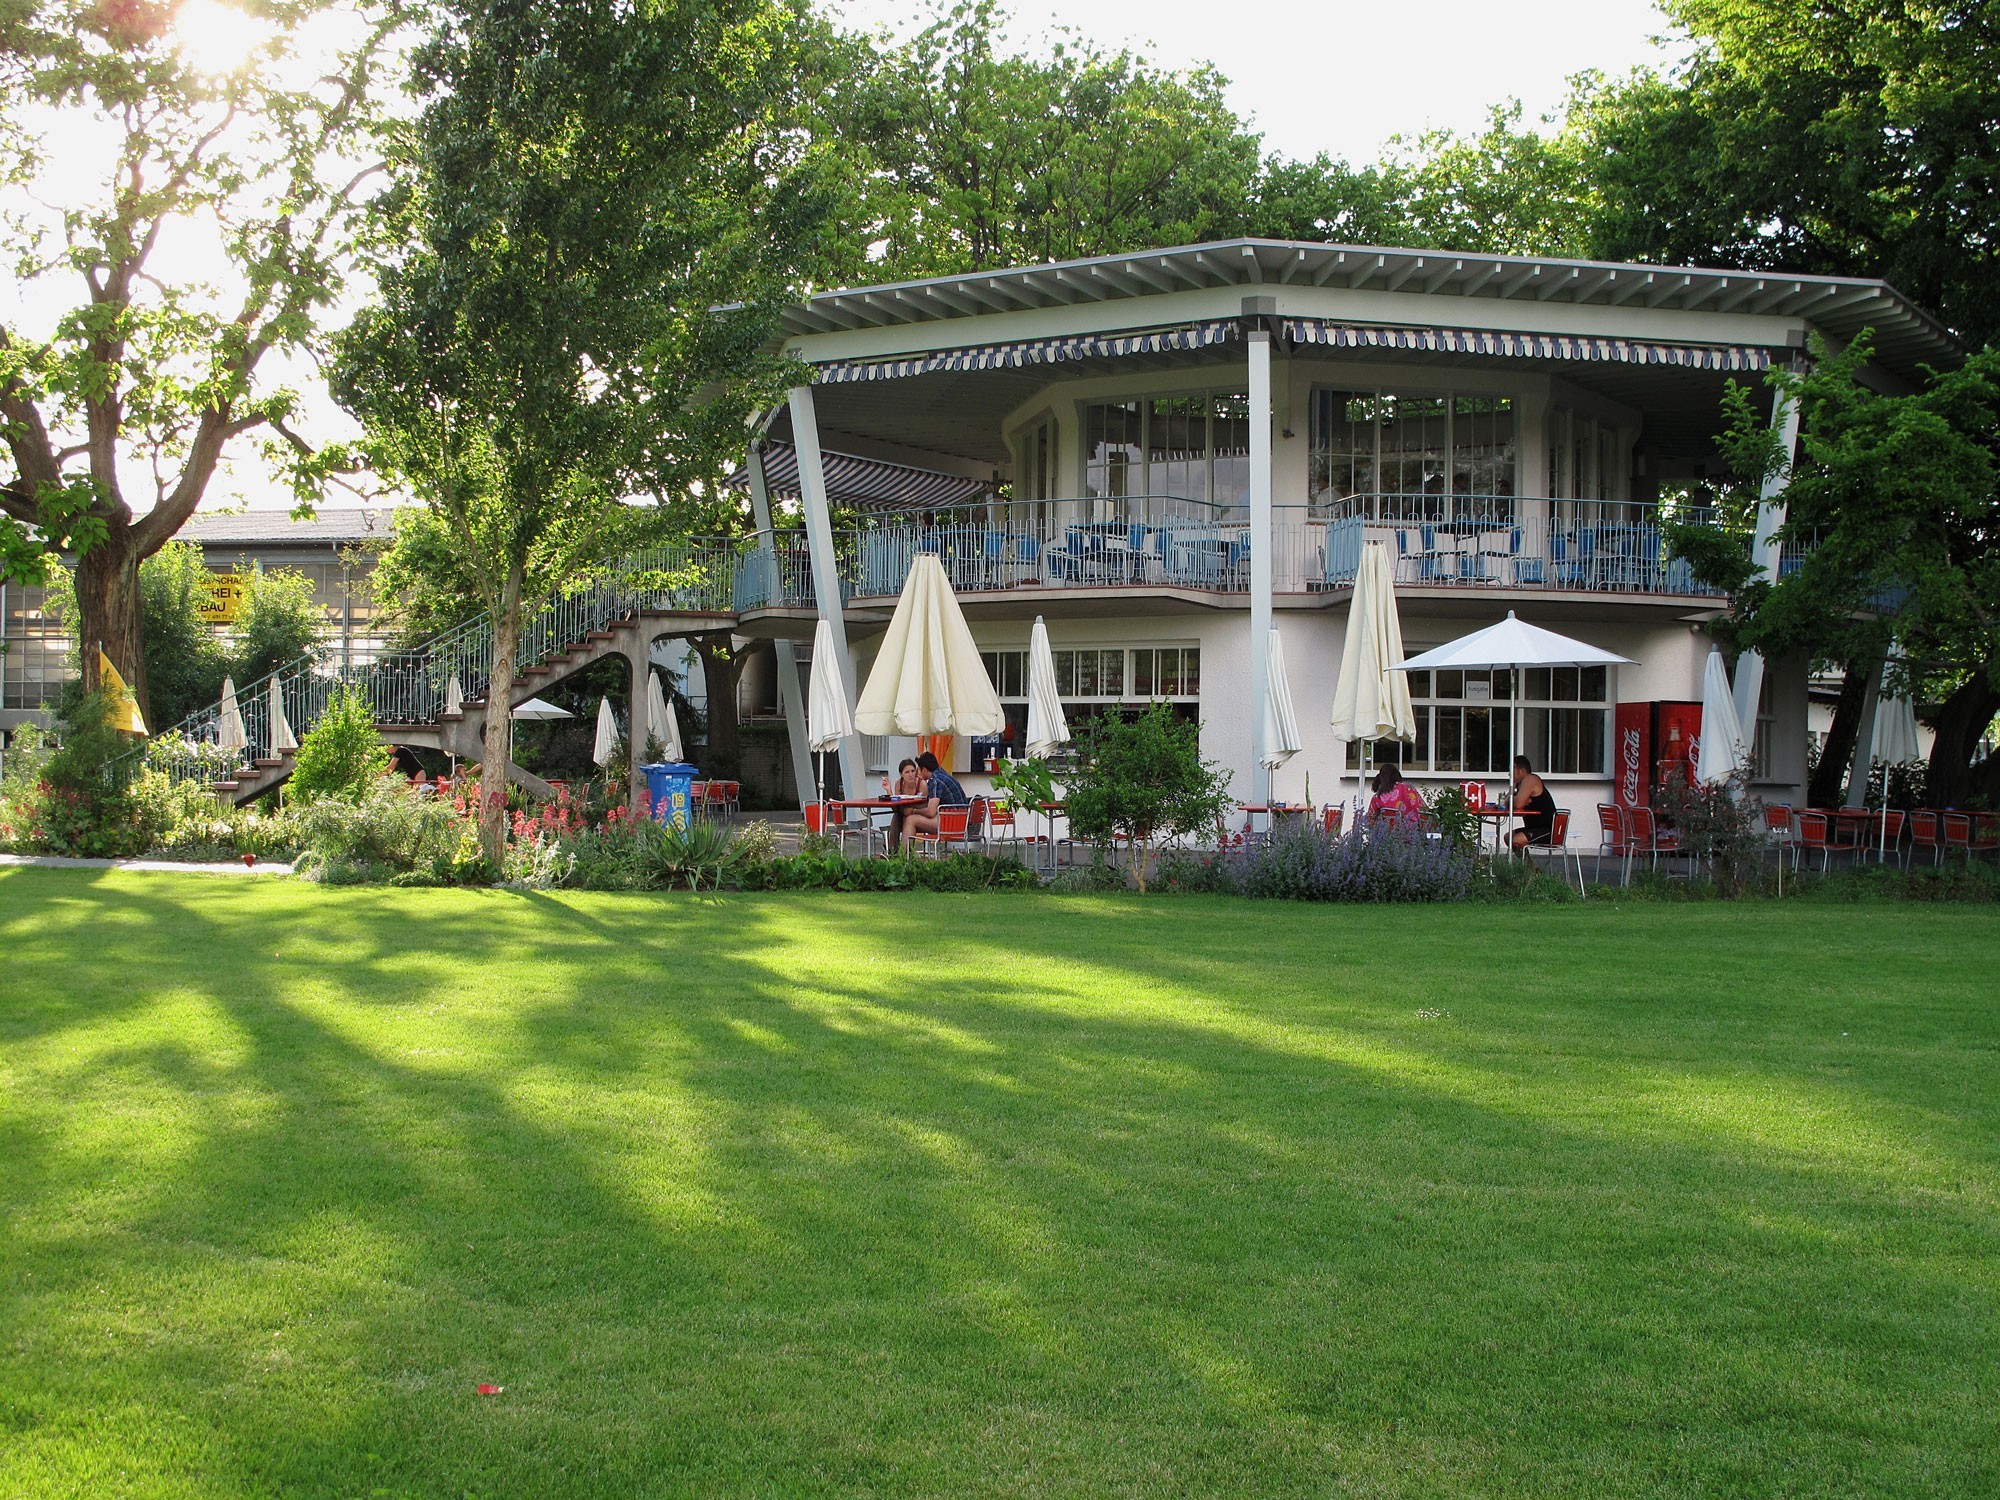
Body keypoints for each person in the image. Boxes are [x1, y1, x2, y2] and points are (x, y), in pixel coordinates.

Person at [895, 749, 970, 851]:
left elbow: (930, 812)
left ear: (924, 770)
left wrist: (913, 811)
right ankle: (905, 853)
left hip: (952, 823)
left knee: (910, 820)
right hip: (959, 819)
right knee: (908, 819)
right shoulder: (944, 775)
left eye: (918, 770)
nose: (918, 773)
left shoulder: (936, 781)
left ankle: (903, 857)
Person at [1510, 754, 1558, 852]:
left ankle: (1527, 867)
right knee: (1508, 837)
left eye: (1512, 770)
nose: (1509, 774)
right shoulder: (1520, 785)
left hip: (1547, 830)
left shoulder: (1530, 779)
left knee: (1515, 840)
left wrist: (1517, 799)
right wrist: (1513, 789)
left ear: (1521, 771)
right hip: (1533, 828)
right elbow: (1506, 803)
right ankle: (1530, 867)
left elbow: (1518, 804)